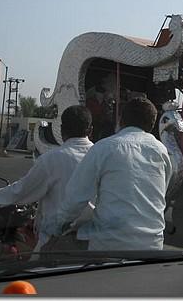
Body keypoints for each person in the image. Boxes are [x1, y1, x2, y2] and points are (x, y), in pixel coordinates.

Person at [52, 97, 172, 251]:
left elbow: (74, 199)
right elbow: (163, 192)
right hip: (153, 246)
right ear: (152, 124)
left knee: (50, 251)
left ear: (121, 120)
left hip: (108, 245)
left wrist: (56, 228)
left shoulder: (104, 148)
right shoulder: (161, 151)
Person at [0, 105, 94, 251]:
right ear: (90, 130)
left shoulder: (52, 159)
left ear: (62, 130)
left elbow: (22, 190)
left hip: (57, 244)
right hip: (97, 242)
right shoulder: (102, 156)